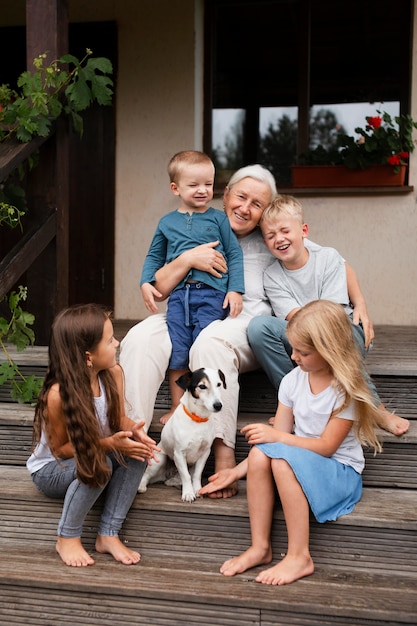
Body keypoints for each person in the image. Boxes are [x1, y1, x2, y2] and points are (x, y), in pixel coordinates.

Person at [119, 164, 383, 499]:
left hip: (239, 323)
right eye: (241, 197)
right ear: (225, 195)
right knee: (140, 339)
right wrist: (188, 259)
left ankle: (222, 451)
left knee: (210, 341)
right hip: (183, 312)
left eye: (257, 204)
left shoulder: (272, 237)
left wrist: (359, 302)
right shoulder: (194, 223)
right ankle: (132, 446)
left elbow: (335, 261)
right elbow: (158, 287)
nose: (246, 208)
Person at [210, 299, 383, 585]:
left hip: (338, 473)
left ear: (329, 351)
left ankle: (299, 556)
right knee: (259, 455)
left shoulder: (346, 389)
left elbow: (326, 447)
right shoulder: (293, 381)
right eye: (292, 349)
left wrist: (278, 436)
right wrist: (234, 473)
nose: (293, 357)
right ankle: (260, 547)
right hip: (300, 461)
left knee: (281, 459)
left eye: (303, 352)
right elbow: (274, 442)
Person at [246, 194, 409, 433]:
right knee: (258, 327)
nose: (278, 239)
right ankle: (295, 403)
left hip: (344, 332)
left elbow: (331, 317)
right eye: (270, 236)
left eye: (285, 231)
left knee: (334, 335)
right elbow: (296, 320)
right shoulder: (272, 275)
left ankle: (376, 408)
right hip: (305, 338)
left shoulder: (329, 258)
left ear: (304, 230)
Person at [26, 303, 159, 567]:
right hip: (52, 469)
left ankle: (108, 533)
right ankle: (67, 536)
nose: (118, 343)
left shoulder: (113, 373)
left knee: (137, 455)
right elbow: (62, 449)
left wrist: (134, 429)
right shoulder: (58, 395)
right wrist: (108, 444)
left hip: (95, 453)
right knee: (101, 463)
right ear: (88, 356)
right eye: (110, 340)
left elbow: (117, 419)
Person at [140, 150, 244, 424]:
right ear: (175, 188)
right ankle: (178, 407)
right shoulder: (166, 223)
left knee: (201, 348)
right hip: (178, 297)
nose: (203, 190)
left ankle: (203, 405)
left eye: (208, 184)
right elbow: (153, 256)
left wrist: (235, 289)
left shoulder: (218, 219)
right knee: (178, 350)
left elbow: (234, 253)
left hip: (212, 295)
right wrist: (146, 282)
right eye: (194, 185)